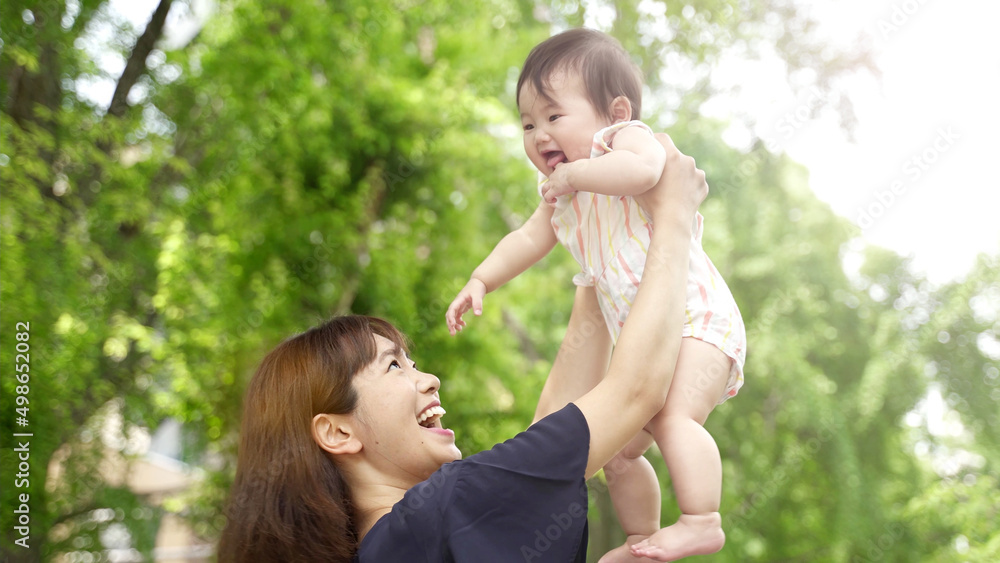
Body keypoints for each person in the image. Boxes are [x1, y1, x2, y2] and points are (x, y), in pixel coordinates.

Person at [216, 131, 707, 562]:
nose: (428, 378)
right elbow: (633, 391)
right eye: (393, 367)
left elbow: (556, 433)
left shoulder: (399, 542)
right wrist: (673, 217)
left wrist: (594, 261)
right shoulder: (450, 505)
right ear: (337, 433)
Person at [445, 29, 746, 562]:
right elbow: (526, 239)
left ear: (615, 110)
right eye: (528, 124)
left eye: (554, 117)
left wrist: (580, 172)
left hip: (698, 319)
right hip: (650, 338)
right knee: (619, 451)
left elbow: (646, 170)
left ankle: (703, 519)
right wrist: (481, 279)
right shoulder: (563, 196)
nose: (539, 135)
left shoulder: (622, 140)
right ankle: (642, 539)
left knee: (675, 418)